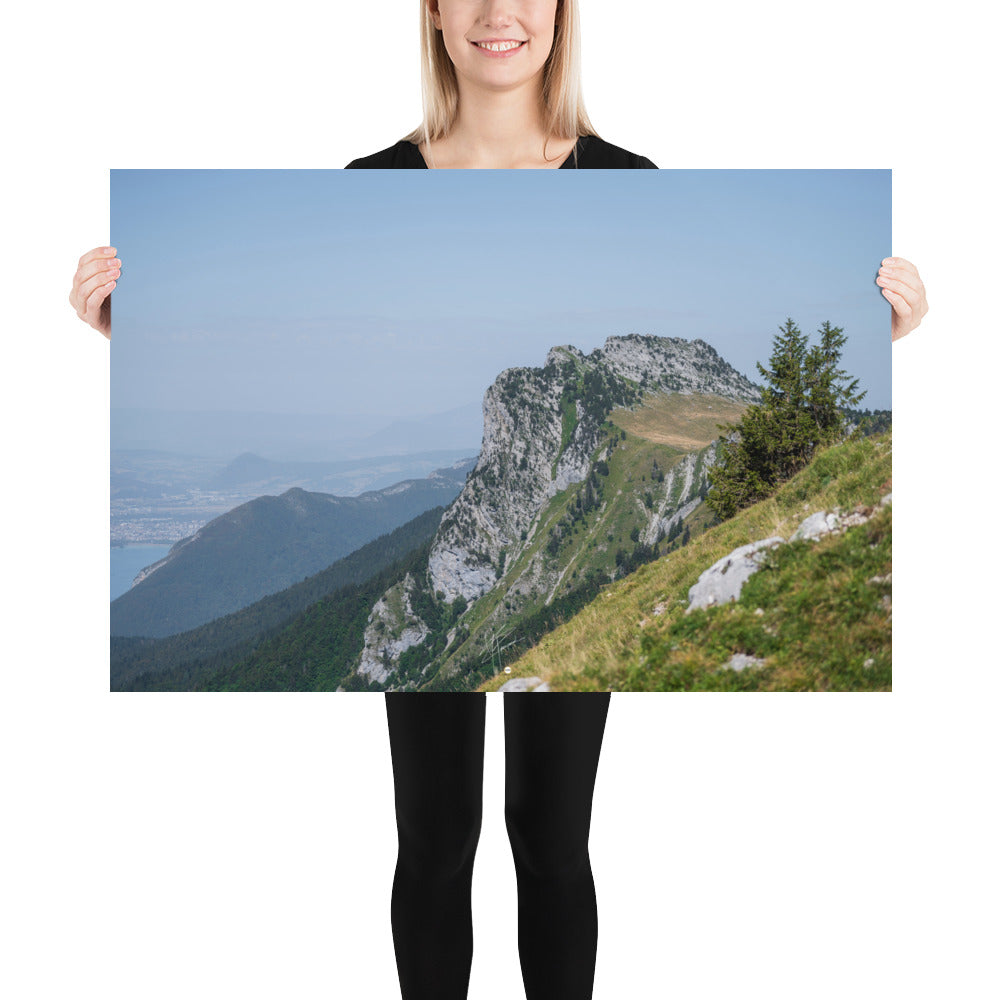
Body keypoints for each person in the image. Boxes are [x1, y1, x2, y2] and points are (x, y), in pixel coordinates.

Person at [70, 3, 927, 998]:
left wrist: (887, 333)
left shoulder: (624, 183)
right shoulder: (372, 187)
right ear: (430, 14)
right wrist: (130, 327)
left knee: (552, 838)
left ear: (564, 14)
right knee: (435, 842)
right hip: (464, 609)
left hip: (583, 600)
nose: (496, 13)